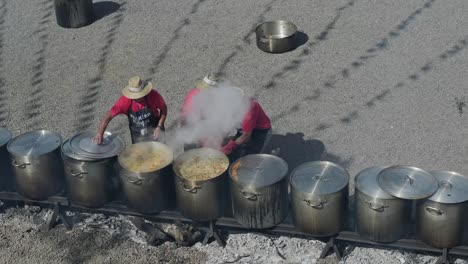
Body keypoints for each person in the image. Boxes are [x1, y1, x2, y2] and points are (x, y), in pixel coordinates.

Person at [93, 76, 167, 144]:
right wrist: (99, 133)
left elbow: (163, 108)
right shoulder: (124, 101)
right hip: (137, 136)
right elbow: (108, 116)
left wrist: (159, 126)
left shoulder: (153, 95)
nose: (138, 97)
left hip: (156, 130)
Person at [221, 94, 272, 159]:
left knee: (253, 157)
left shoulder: (247, 113)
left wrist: (230, 146)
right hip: (245, 128)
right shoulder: (235, 101)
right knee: (242, 148)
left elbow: (246, 136)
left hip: (261, 131)